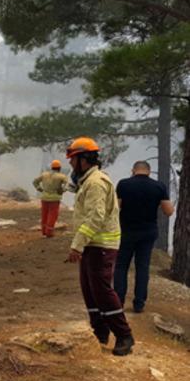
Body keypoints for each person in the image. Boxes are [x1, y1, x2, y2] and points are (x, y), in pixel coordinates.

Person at [65, 137, 133, 356]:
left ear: (83, 159)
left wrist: (77, 245)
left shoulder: (95, 182)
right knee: (89, 289)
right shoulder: (88, 180)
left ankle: (124, 335)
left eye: (72, 160)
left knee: (102, 290)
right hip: (92, 244)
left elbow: (96, 216)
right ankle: (100, 332)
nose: (70, 165)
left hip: (101, 244)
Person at [114, 161, 175, 313]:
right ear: (149, 171)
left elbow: (116, 207)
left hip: (126, 231)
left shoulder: (124, 184)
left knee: (121, 266)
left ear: (133, 170)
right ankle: (139, 303)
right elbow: (168, 211)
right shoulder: (158, 186)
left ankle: (118, 301)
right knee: (142, 267)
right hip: (148, 232)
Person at [33, 160, 69, 237]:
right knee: (52, 215)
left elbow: (35, 182)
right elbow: (67, 185)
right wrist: (62, 190)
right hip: (55, 199)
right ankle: (49, 232)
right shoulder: (62, 176)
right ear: (59, 168)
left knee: (44, 215)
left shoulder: (44, 175)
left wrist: (39, 188)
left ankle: (44, 232)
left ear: (51, 167)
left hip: (44, 198)